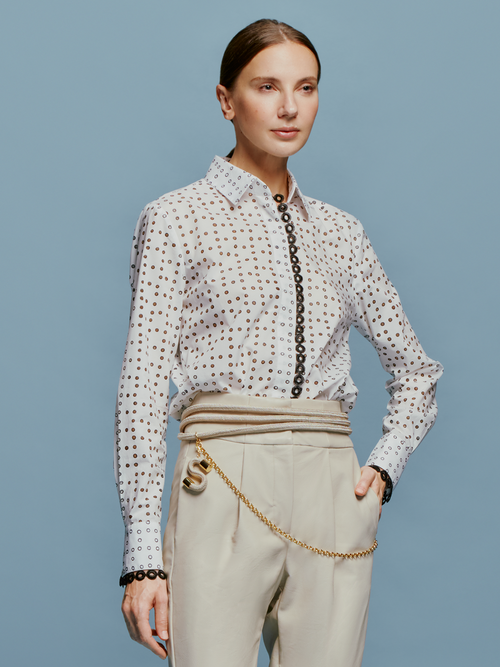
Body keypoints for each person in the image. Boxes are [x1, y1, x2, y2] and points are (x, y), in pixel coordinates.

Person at [115, 18, 443, 667]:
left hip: (331, 491)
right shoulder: (176, 218)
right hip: (221, 478)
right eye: (267, 86)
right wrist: (141, 558)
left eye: (306, 87)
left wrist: (382, 470)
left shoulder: (342, 234)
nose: (290, 106)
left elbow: (417, 372)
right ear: (226, 100)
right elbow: (144, 385)